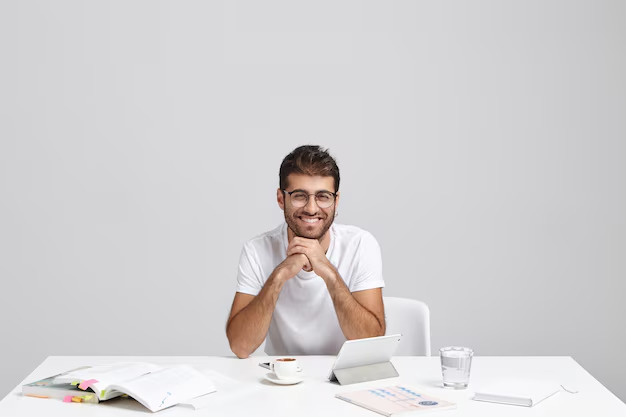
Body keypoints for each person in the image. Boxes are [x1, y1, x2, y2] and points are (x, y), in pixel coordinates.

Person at [226, 145, 386, 358]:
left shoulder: (360, 245)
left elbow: (371, 343)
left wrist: (328, 272)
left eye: (323, 196)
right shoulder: (257, 250)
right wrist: (279, 275)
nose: (311, 208)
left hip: (344, 372)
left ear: (336, 201)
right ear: (281, 199)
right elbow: (240, 346)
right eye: (299, 196)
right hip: (281, 374)